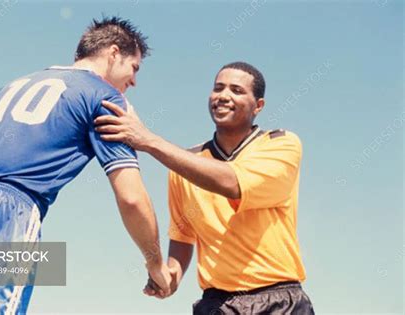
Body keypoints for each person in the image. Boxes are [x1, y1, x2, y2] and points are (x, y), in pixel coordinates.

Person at [0, 16, 171, 314]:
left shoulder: (16, 84)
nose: (133, 80)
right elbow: (132, 197)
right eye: (134, 68)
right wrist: (156, 263)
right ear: (113, 54)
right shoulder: (107, 98)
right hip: (3, 219)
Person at [94, 61, 315, 314]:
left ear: (258, 106)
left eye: (236, 90)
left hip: (278, 301)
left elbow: (232, 182)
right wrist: (170, 275)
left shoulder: (281, 144)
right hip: (216, 304)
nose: (224, 96)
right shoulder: (185, 165)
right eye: (218, 88)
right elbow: (183, 234)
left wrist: (148, 140)